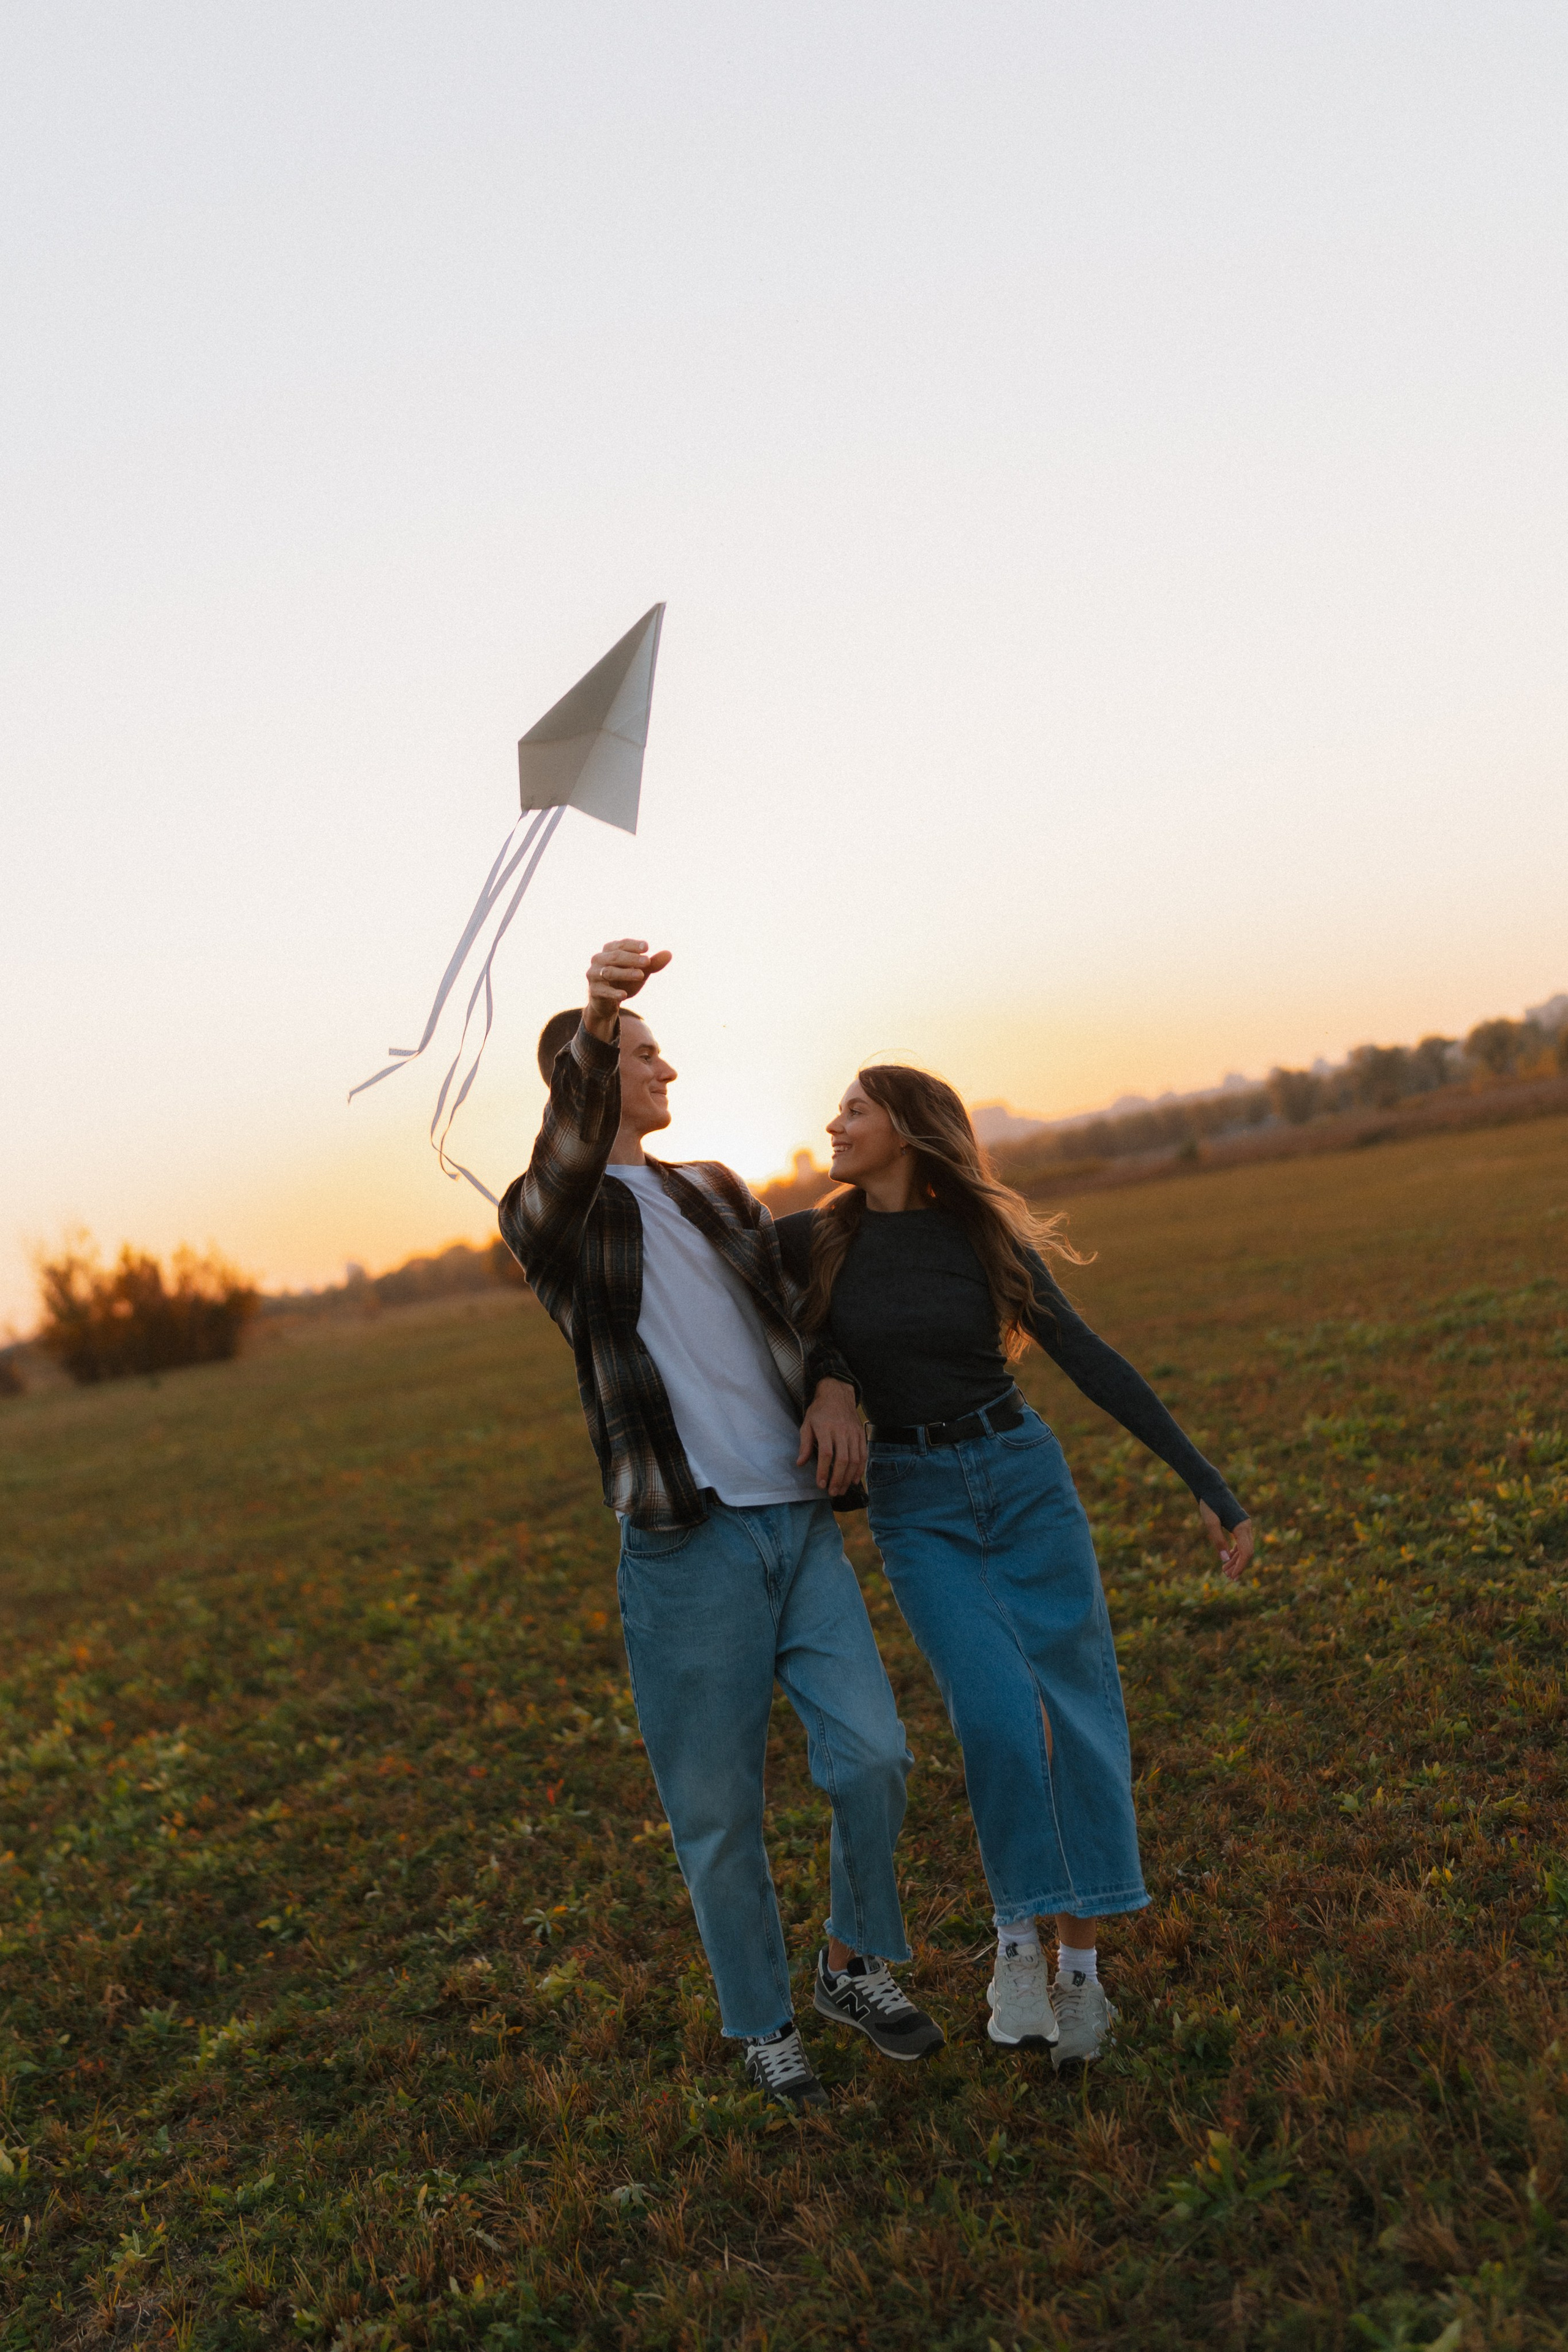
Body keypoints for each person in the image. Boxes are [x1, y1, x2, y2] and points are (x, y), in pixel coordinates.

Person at [499, 943, 944, 2111]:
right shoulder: (553, 1222)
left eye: (652, 1050)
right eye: (643, 1056)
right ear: (582, 1080)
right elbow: (560, 1159)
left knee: (877, 1758)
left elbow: (805, 1317)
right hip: (685, 1547)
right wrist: (599, 1018)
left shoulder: (715, 1188)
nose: (666, 1068)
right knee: (717, 1816)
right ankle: (766, 2026)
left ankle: (851, 1966)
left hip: (796, 1528)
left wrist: (838, 1386)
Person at [775, 1065, 1254, 2071]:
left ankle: (1078, 1978)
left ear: (907, 1129)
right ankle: (1013, 1946)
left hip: (1022, 1477)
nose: (835, 1123)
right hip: (918, 1501)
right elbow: (745, 1292)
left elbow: (1084, 1354)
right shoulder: (814, 1238)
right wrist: (828, 1382)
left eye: (855, 1110)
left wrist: (1205, 1482)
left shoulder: (980, 1237)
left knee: (1077, 1712)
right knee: (997, 1716)